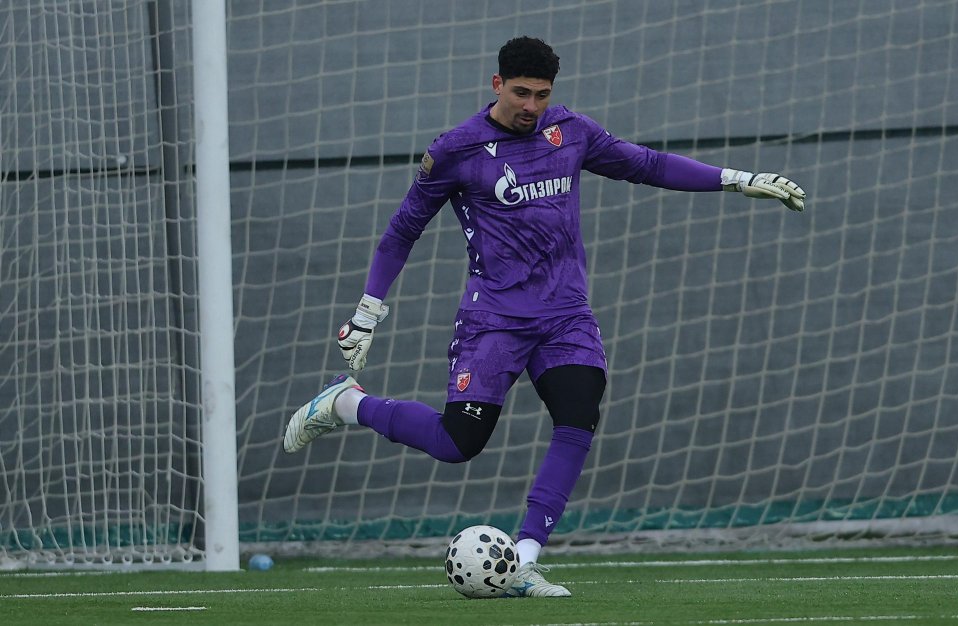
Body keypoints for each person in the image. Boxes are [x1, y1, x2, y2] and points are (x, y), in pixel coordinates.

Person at [284, 36, 805, 598]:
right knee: (457, 443)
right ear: (497, 85)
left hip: (565, 316)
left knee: (578, 416)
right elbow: (402, 231)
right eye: (520, 93)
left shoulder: (570, 132)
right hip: (495, 320)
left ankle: (524, 560)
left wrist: (736, 179)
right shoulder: (457, 149)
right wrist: (368, 312)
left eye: (541, 94)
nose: (531, 106)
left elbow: (647, 164)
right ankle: (347, 403)